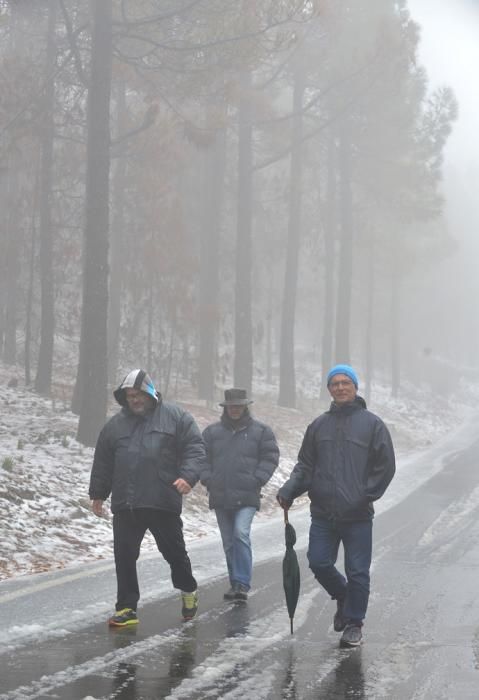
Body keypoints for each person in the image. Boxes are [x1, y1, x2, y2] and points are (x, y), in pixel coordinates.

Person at [277, 364, 395, 647]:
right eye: (335, 383)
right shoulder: (318, 426)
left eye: (346, 383)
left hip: (357, 515)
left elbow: (386, 466)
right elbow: (306, 465)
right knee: (318, 561)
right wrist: (289, 490)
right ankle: (343, 596)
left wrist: (365, 495)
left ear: (355, 387)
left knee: (357, 571)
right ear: (329, 389)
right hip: (323, 513)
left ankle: (354, 623)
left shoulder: (373, 424)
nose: (340, 387)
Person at [89, 369, 205, 627]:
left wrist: (188, 476)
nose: (135, 399)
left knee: (174, 553)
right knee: (124, 555)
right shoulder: (114, 426)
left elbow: (195, 449)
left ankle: (188, 589)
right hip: (126, 503)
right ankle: (127, 608)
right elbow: (104, 461)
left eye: (139, 394)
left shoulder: (176, 417)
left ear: (150, 393)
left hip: (162, 499)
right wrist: (98, 493)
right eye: (130, 395)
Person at [201, 388, 279, 601]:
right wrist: (208, 479)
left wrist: (258, 479)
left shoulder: (261, 431)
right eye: (231, 406)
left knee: (240, 533)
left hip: (247, 495)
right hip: (220, 495)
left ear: (245, 406)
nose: (234, 409)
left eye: (238, 406)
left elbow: (270, 457)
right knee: (228, 542)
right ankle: (235, 582)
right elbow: (200, 458)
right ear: (226, 408)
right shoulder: (211, 433)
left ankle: (243, 583)